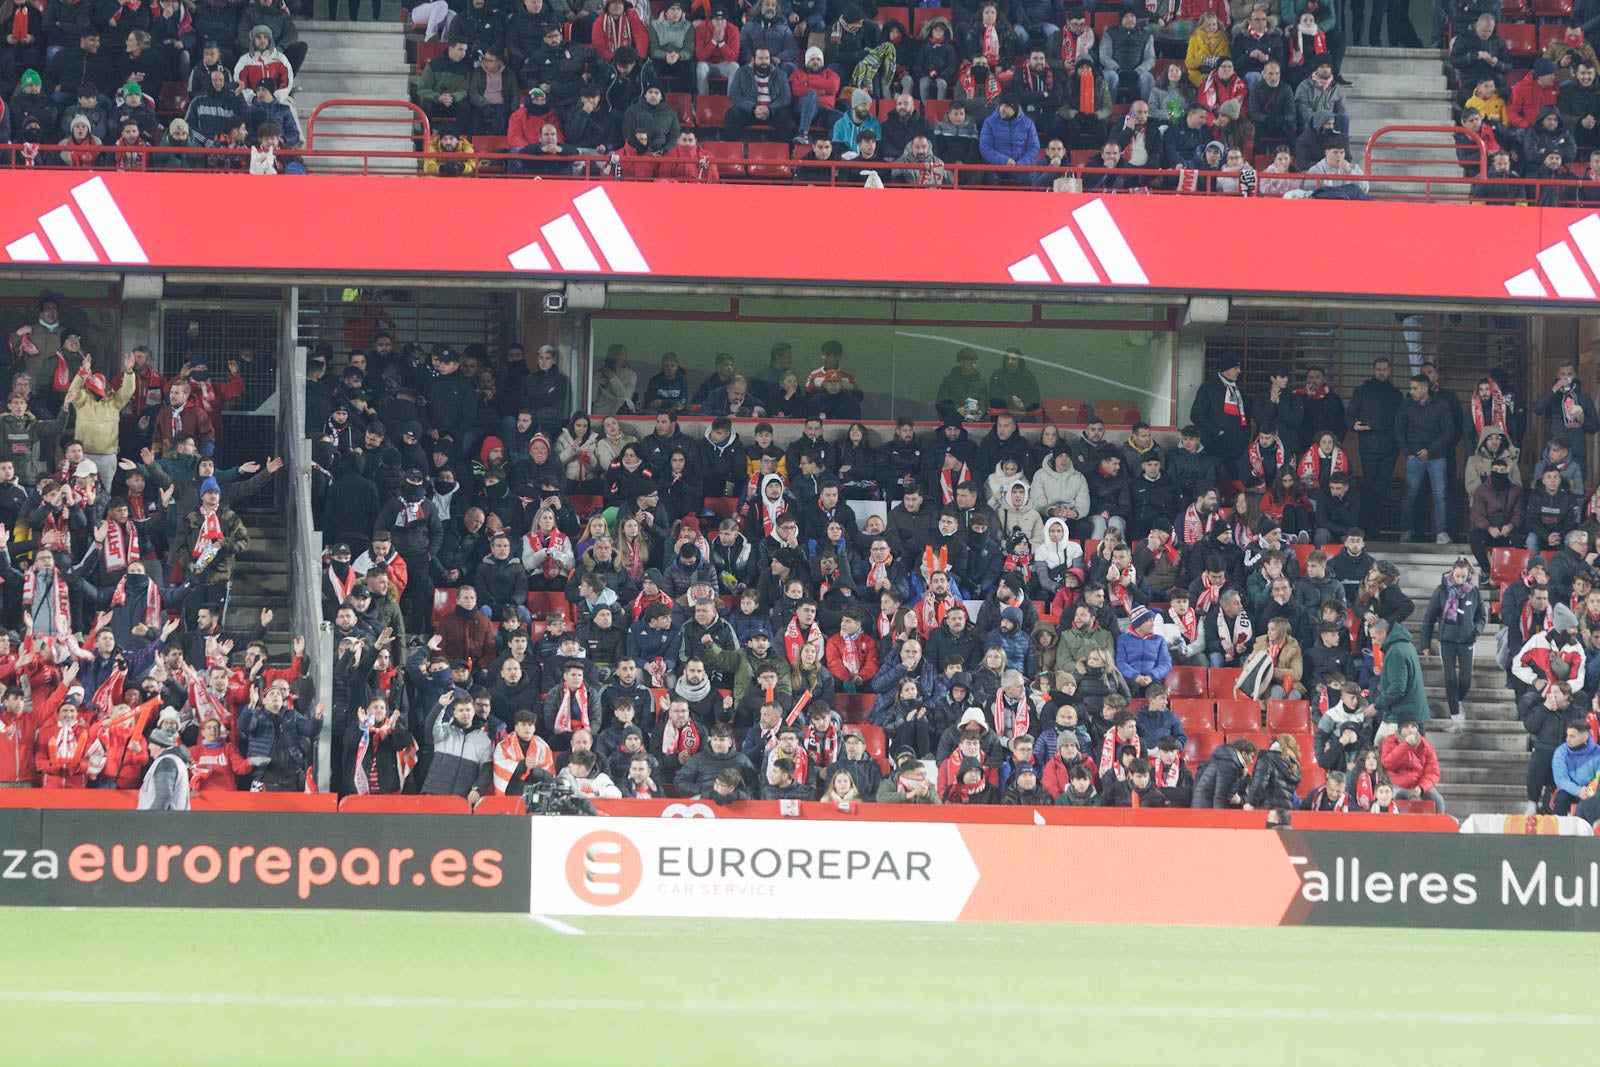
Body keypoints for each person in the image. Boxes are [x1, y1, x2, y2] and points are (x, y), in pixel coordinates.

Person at [1419, 557, 1487, 731]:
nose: (1460, 579)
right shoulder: (1441, 590)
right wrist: (1425, 644)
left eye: (1463, 576)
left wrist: (1476, 629)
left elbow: (1482, 616)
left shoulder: (1474, 592)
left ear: (1468, 575)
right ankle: (1455, 718)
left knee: (1465, 680)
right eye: (1457, 576)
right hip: (1446, 640)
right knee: (1450, 679)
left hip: (1467, 640)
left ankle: (1457, 702)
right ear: (1452, 573)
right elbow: (1429, 618)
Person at [1347, 356, 1402, 536]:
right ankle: (1367, 529)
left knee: (1382, 488)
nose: (1381, 372)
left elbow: (1400, 422)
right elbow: (1349, 415)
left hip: (1389, 449)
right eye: (1378, 369)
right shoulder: (1362, 391)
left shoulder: (1396, 394)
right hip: (1368, 446)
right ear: (1373, 370)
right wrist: (1353, 425)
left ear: (1389, 370)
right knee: (1370, 487)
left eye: (1384, 369)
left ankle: (1375, 529)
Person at [1363, 615, 1428, 739]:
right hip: (1411, 711)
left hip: (1404, 715)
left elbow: (1398, 687)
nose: (1373, 642)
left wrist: (1377, 705)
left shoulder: (1395, 652)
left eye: (1374, 637)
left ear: (1383, 633)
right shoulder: (1404, 644)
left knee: (1386, 751)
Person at [1380, 718, 1445, 813]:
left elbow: (1433, 772)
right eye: (1406, 727)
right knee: (1396, 797)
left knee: (1437, 800)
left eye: (1413, 727)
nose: (1410, 730)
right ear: (1400, 729)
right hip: (1397, 785)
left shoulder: (1426, 746)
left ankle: (1439, 826)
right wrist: (1405, 745)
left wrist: (1422, 787)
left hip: (1418, 785)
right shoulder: (1389, 742)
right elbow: (1387, 764)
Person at [1550, 715, 1600, 819]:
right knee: (1561, 797)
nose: (1567, 739)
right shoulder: (1561, 752)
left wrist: (1589, 791)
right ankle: (1559, 831)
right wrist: (1578, 791)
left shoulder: (1597, 752)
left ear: (1585, 737)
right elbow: (1561, 780)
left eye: (1572, 736)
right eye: (1567, 735)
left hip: (1591, 791)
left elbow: (1597, 778)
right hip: (1569, 790)